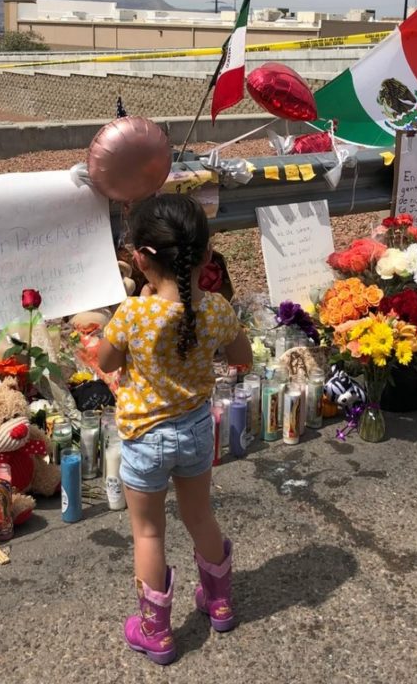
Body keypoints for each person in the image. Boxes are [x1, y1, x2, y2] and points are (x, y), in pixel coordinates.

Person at [97, 194, 252, 666]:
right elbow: (242, 357)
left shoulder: (133, 315)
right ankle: (220, 602)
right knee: (199, 516)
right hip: (196, 430)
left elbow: (106, 361)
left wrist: (138, 312)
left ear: (141, 259)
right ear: (207, 256)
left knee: (148, 533)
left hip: (146, 438)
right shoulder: (219, 311)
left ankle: (156, 632)